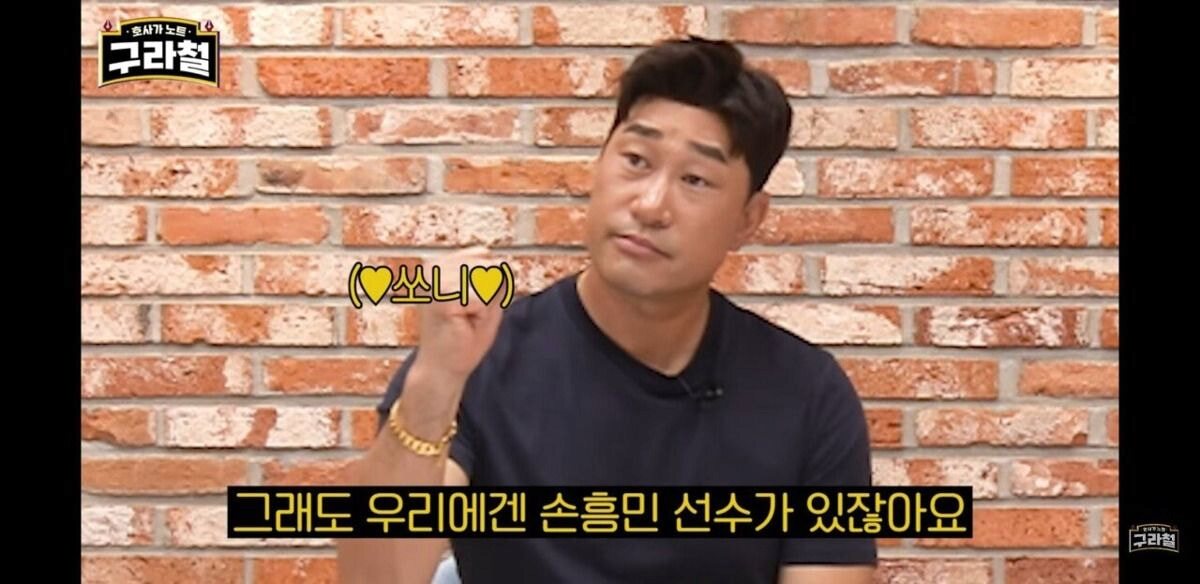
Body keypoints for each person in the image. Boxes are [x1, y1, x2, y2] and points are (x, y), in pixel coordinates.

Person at [336, 35, 877, 584]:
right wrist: (434, 386)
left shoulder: (807, 394)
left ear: (748, 219)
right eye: (636, 161)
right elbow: (375, 580)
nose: (651, 205)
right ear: (598, 167)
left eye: (695, 179)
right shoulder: (482, 360)